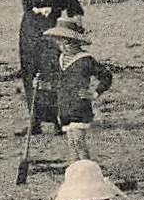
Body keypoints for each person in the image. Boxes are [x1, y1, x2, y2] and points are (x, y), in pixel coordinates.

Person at [0, 0, 84, 140]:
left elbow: (74, 8)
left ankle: (56, 120)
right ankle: (34, 121)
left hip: (51, 29)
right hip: (29, 30)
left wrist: (76, 34)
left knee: (52, 71)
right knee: (29, 71)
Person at [44, 18, 113, 162]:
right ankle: (76, 176)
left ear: (78, 42)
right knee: (71, 145)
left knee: (79, 142)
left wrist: (95, 93)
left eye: (68, 42)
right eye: (61, 43)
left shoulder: (85, 60)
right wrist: (43, 85)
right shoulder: (61, 60)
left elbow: (106, 76)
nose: (64, 47)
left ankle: (88, 173)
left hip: (79, 108)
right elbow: (58, 83)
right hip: (64, 108)